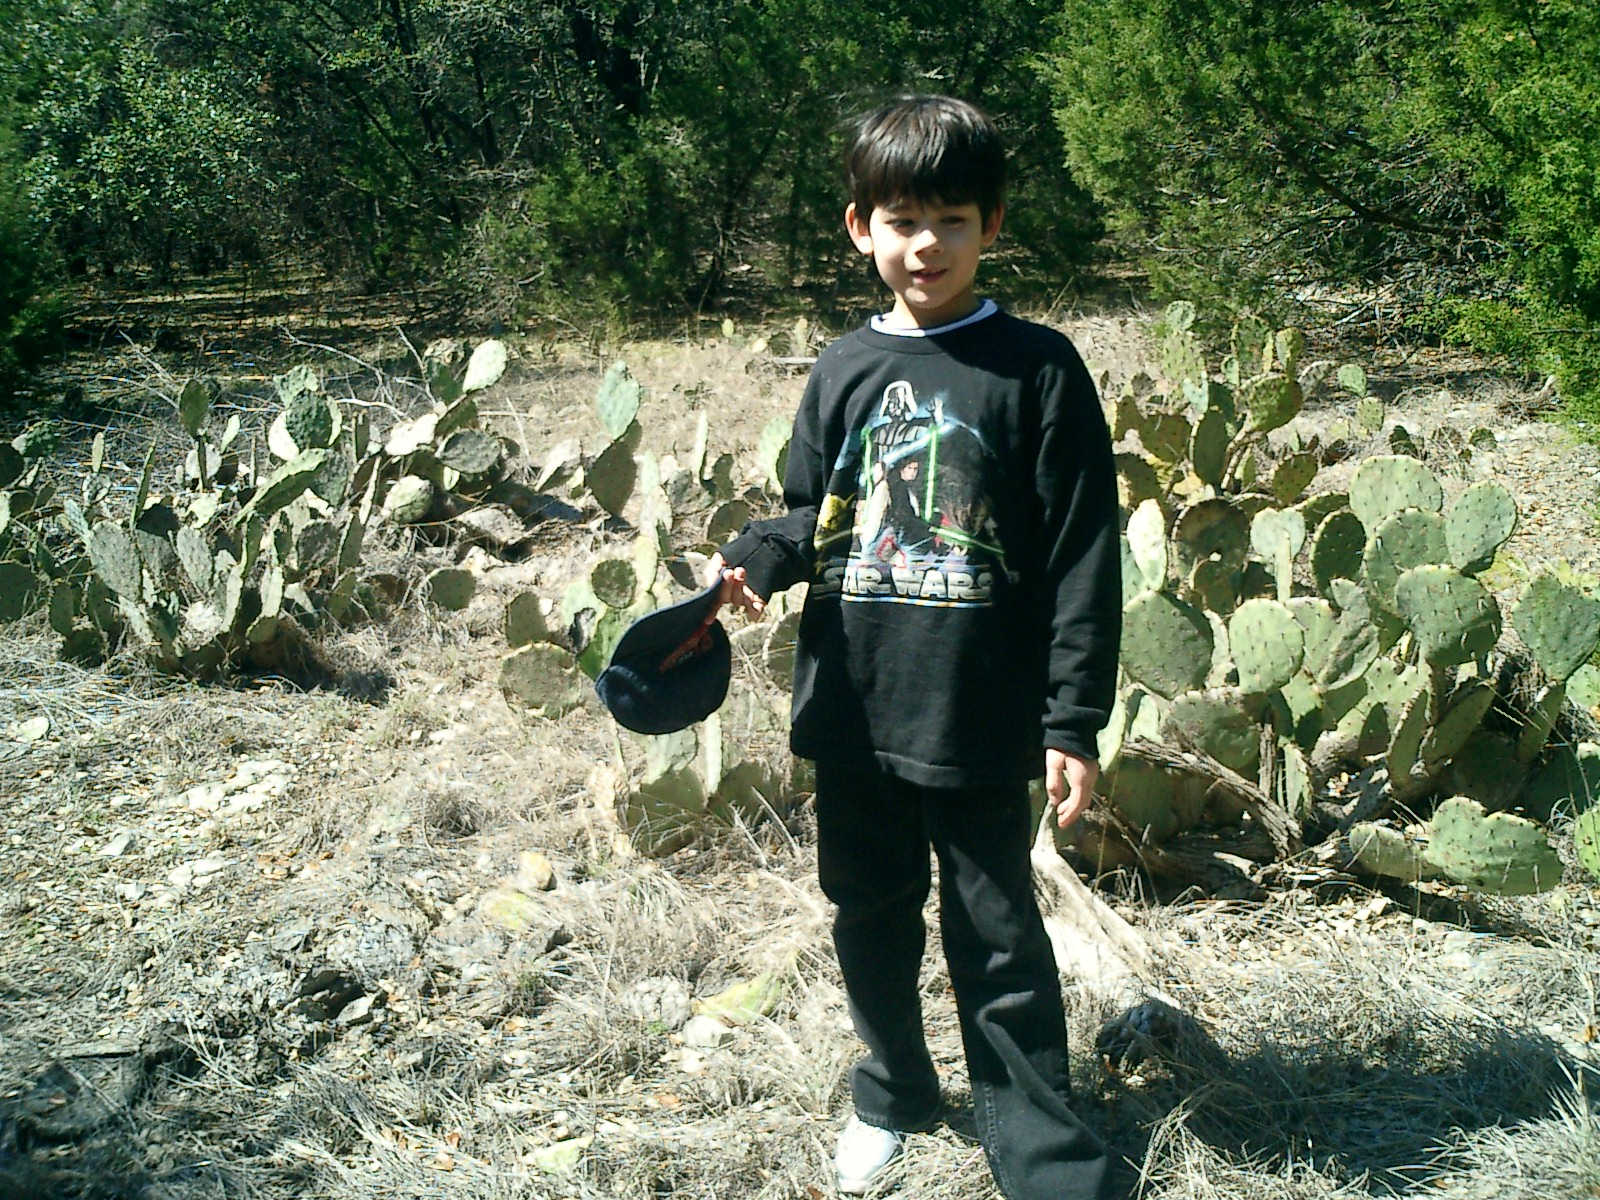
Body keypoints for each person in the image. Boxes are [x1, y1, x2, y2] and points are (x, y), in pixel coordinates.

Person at [707, 94, 1122, 1199]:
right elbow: (816, 510)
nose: (925, 244)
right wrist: (757, 556)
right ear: (861, 229)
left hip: (978, 712)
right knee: (870, 916)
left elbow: (1083, 555)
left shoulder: (1037, 368)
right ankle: (890, 1093)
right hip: (855, 704)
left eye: (950, 219)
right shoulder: (842, 366)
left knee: (998, 935)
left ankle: (1043, 1157)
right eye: (901, 220)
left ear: (992, 225)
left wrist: (1072, 719)